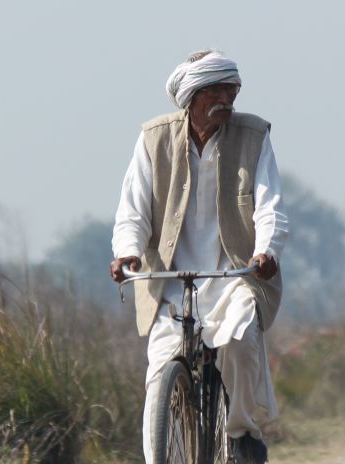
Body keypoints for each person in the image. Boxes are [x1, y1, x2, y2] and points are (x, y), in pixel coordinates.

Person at [109, 49, 289, 464]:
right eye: (219, 90)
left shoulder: (253, 136)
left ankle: (241, 432)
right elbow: (132, 211)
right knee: (159, 379)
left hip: (235, 276)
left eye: (234, 89)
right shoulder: (153, 139)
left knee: (241, 343)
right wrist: (128, 253)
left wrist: (267, 250)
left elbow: (269, 206)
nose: (228, 98)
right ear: (193, 96)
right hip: (168, 282)